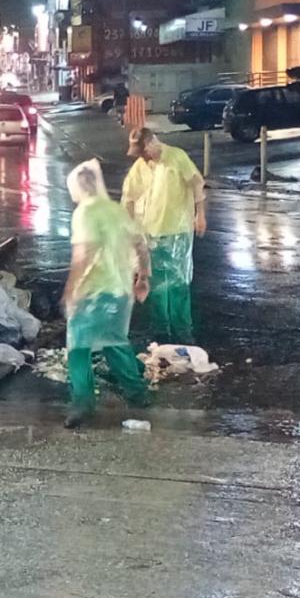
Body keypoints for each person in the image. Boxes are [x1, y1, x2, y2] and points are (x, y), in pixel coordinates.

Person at [62, 159, 152, 428]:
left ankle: (83, 403)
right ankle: (138, 394)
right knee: (115, 342)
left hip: (94, 292)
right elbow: (140, 244)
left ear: (79, 187)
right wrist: (142, 278)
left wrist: (70, 290)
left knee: (78, 349)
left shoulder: (85, 212)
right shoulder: (116, 210)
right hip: (120, 293)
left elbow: (83, 254)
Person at [121, 127, 206, 344]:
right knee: (156, 286)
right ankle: (161, 332)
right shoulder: (141, 167)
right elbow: (128, 197)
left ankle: (183, 330)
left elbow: (196, 184)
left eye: (142, 151)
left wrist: (200, 215)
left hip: (177, 232)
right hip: (150, 233)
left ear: (150, 144)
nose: (141, 156)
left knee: (178, 283)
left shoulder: (176, 157)